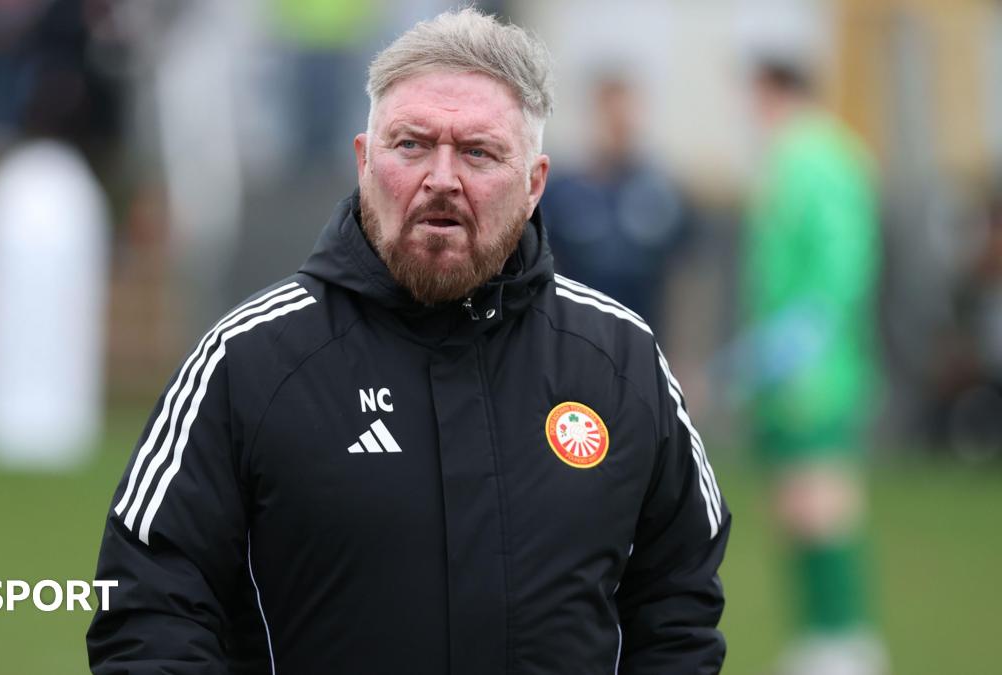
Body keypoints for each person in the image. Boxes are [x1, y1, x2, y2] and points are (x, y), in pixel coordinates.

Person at [87, 9, 729, 674]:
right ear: (365, 161)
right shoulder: (248, 360)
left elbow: (679, 606)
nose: (442, 178)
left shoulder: (620, 361)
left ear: (535, 183)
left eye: (478, 152)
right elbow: (148, 603)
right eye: (412, 145)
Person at [742, 57, 887, 675]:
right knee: (795, 504)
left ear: (776, 92)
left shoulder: (817, 157)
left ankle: (842, 638)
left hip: (815, 372)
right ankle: (819, 636)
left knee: (821, 500)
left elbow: (841, 262)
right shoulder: (794, 157)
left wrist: (804, 338)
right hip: (790, 367)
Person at [541, 73, 691, 331]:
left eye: (625, 119)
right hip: (577, 331)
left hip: (643, 330)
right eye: (610, 117)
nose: (618, 127)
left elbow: (683, 267)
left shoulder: (659, 193)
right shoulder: (561, 193)